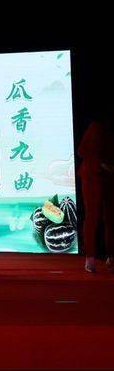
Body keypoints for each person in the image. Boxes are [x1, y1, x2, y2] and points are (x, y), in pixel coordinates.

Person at [78, 114, 114, 273]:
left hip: (110, 177)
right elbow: (83, 152)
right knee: (93, 216)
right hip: (92, 176)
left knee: (111, 218)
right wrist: (103, 165)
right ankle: (90, 257)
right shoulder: (96, 127)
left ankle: (111, 256)